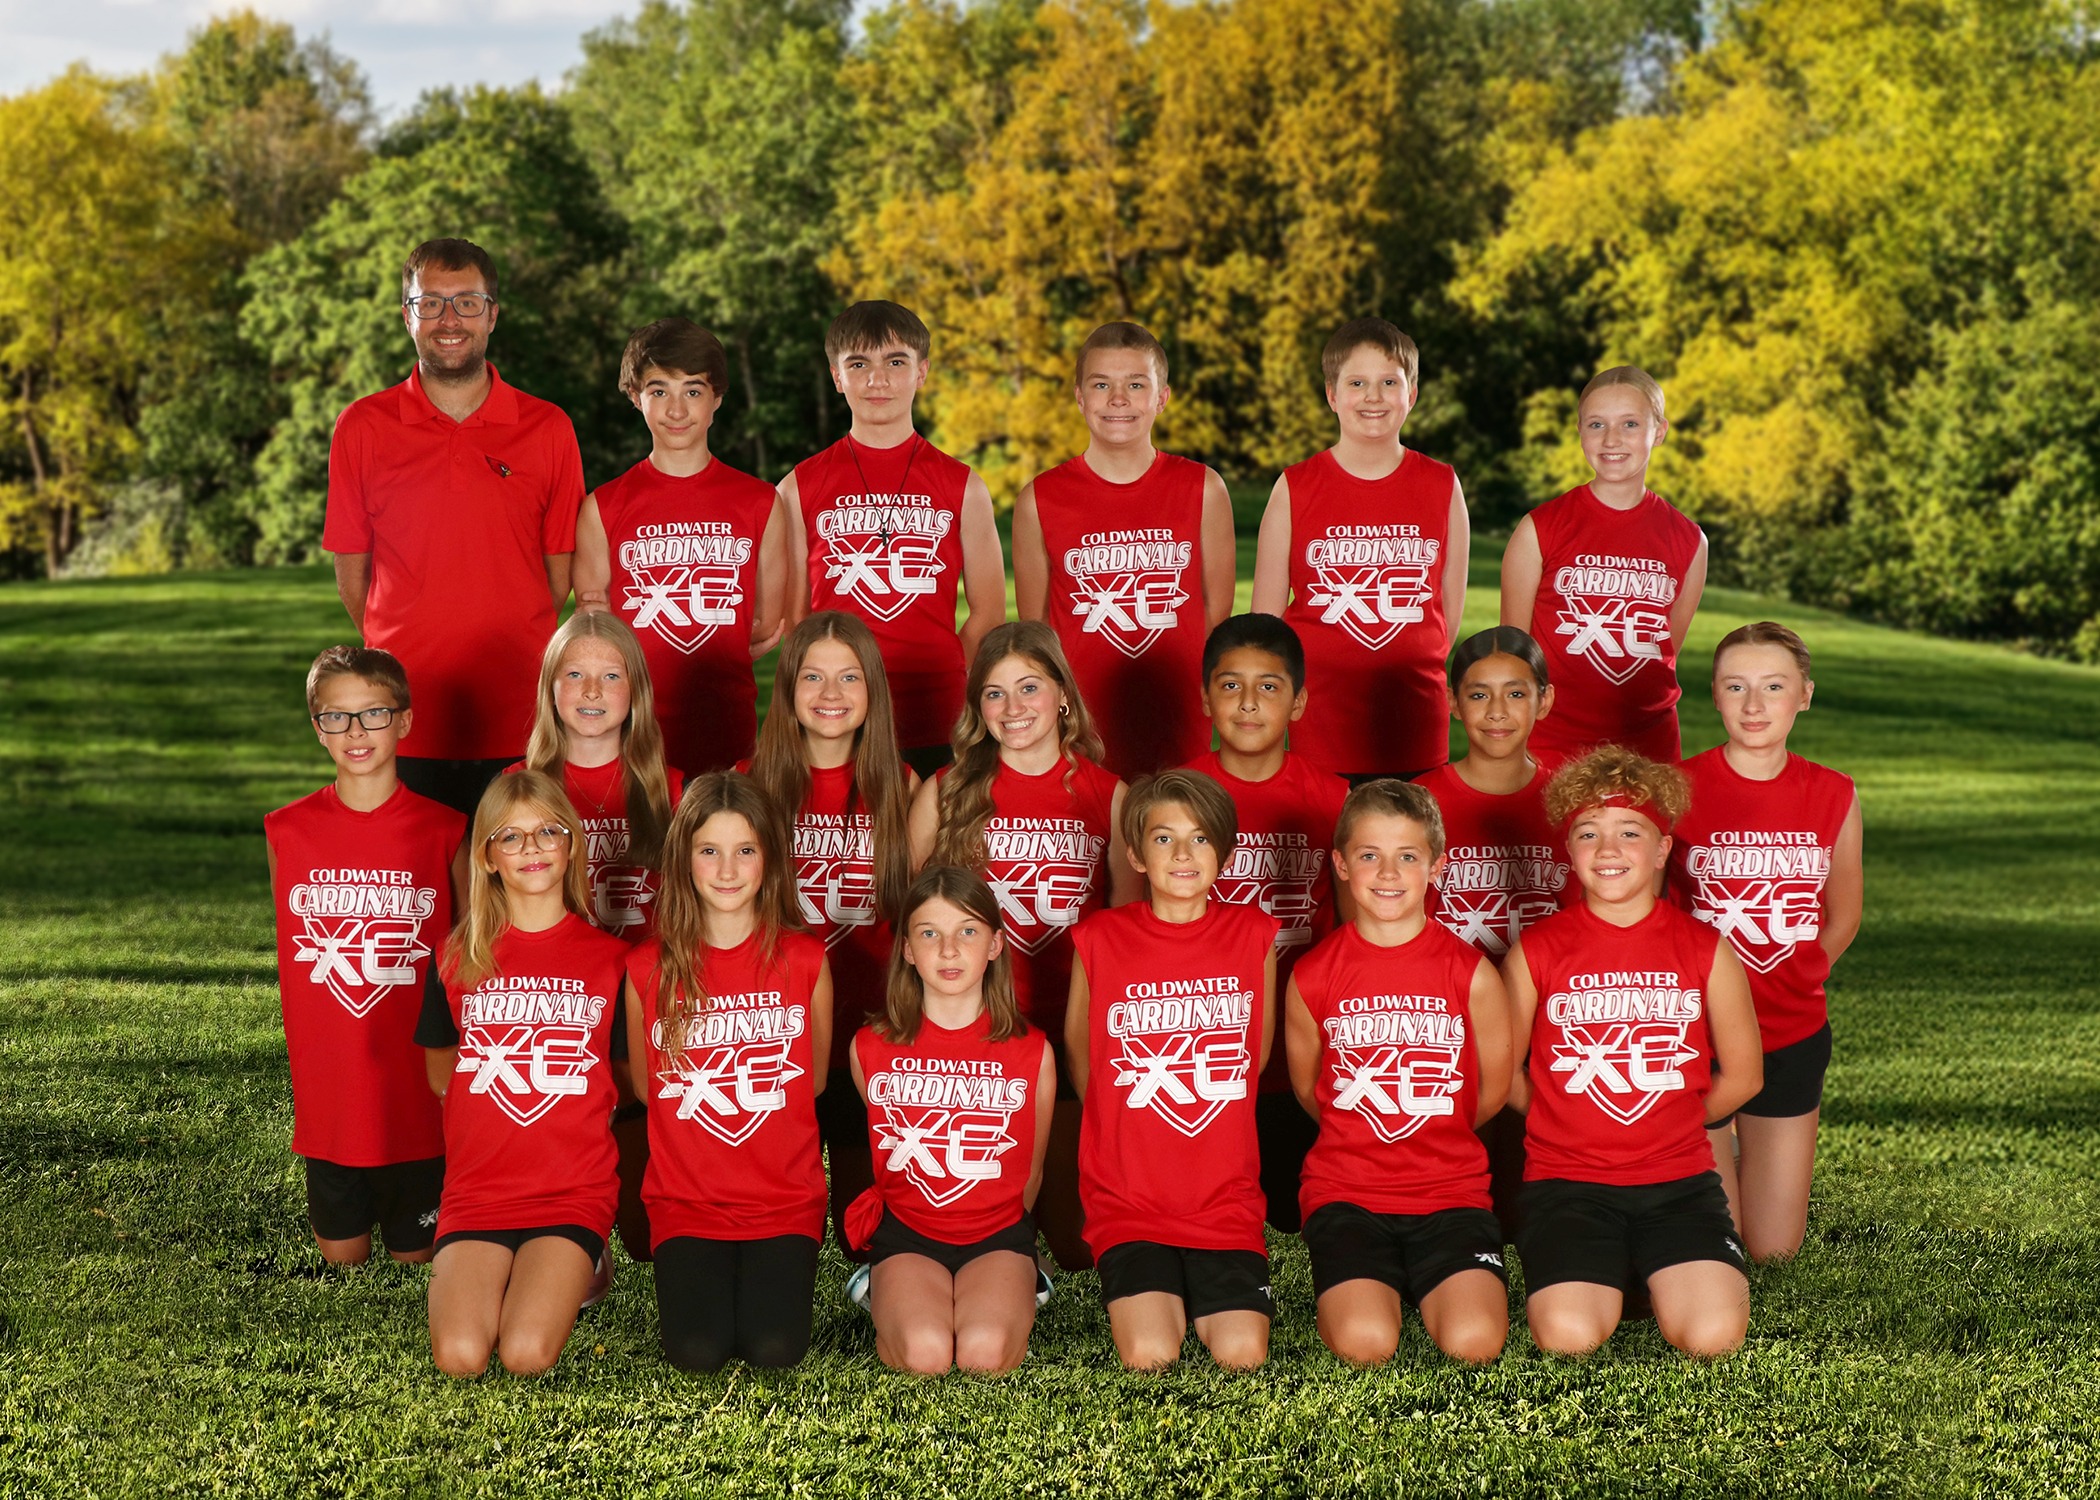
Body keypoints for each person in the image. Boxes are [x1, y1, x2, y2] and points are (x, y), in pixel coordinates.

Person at [1502, 748, 1764, 1358]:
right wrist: (1560, 1117)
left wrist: (1667, 1121)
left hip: (1678, 1184)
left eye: (1629, 832)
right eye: (1588, 834)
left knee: (1713, 1338)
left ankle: (1652, 1273)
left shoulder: (1705, 948)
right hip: (1567, 1183)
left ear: (1663, 849)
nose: (1608, 850)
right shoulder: (1538, 950)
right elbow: (1501, 1072)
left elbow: (1746, 1075)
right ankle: (1614, 1274)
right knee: (1568, 1337)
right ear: (1569, 851)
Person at [323, 237, 587, 815]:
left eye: (467, 302)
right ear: (407, 317)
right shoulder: (362, 427)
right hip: (402, 713)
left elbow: (558, 572)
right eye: (431, 304)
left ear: (492, 314)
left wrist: (503, 626)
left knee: (518, 891)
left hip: (520, 712)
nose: (449, 320)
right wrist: (414, 635)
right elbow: (353, 576)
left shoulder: (547, 427)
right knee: (420, 896)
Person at [908, 621, 1139, 1270]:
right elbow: (911, 918)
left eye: (1029, 688)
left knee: (1074, 1246)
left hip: (1066, 1021)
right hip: (975, 1028)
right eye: (994, 694)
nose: (1013, 709)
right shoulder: (946, 791)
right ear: (976, 709)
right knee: (976, 1220)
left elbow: (1123, 935)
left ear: (1062, 693)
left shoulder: (1109, 794)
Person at [1285, 780, 1512, 1365]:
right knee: (1367, 1344)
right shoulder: (1312, 975)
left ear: (1436, 866)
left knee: (1475, 1343)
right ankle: (1372, 1285)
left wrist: (1431, 1126)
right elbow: (1315, 1091)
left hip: (1450, 1190)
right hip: (1347, 1192)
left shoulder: (1473, 975)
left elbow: (1491, 1091)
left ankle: (1433, 1281)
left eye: (1407, 856)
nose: (1388, 873)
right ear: (1339, 864)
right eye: (1369, 855)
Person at [417, 771, 628, 1378]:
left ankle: (584, 1257)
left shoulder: (612, 961)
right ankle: (513, 1272)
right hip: (478, 1191)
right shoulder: (454, 958)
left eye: (547, 833)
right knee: (460, 1358)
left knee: (526, 1354)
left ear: (572, 845)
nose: (531, 848)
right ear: (486, 856)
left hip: (571, 1189)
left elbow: (623, 1078)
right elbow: (441, 1072)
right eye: (510, 837)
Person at [1067, 770, 1279, 1371]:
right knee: (1149, 1353)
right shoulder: (1098, 938)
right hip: (1130, 1197)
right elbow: (1084, 1057)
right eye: (1163, 839)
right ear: (1135, 853)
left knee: (1242, 1354)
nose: (1183, 854)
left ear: (1225, 850)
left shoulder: (1254, 933)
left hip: (1223, 1197)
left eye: (1200, 839)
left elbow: (1253, 1057)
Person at [264, 646, 466, 1266]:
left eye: (374, 714)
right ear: (317, 727)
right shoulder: (286, 830)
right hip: (331, 1097)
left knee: (416, 1260)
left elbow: (466, 959)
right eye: (337, 717)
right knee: (343, 1262)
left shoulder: (447, 829)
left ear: (404, 721)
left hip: (418, 1100)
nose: (356, 732)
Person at [624, 773, 832, 1372]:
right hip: (686, 1201)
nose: (727, 869)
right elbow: (647, 1087)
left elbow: (812, 1080)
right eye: (709, 851)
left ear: (768, 857)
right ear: (684, 859)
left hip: (783, 1199)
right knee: (697, 1352)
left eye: (745, 850)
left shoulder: (805, 959)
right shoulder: (647, 968)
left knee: (775, 1350)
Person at [1671, 622, 1863, 1263]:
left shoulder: (1834, 792)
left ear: (1804, 694)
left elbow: (1843, 913)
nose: (1754, 706)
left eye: (1773, 686)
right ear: (1716, 696)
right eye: (1737, 687)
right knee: (1717, 1243)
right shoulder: (1676, 789)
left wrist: (1805, 973)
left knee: (1773, 1250)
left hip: (1793, 1026)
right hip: (1699, 1036)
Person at [744, 612, 918, 1260]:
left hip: (868, 1020)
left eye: (849, 676)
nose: (830, 692)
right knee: (770, 1232)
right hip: (770, 1026)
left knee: (860, 1238)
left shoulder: (901, 788)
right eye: (812, 675)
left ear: (873, 689)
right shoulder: (751, 783)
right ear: (787, 688)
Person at [512, 612, 684, 1260]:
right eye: (574, 675)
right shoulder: (517, 787)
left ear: (635, 692)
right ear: (549, 692)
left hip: (643, 998)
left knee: (648, 1238)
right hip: (556, 1007)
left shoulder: (671, 790)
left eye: (610, 676)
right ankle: (567, 1214)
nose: (590, 692)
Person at [777, 300, 1006, 776]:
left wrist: (939, 673)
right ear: (837, 377)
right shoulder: (799, 486)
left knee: (934, 847)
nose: (877, 380)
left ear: (921, 372)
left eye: (895, 362)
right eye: (858, 364)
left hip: (937, 714)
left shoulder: (963, 484)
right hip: (838, 717)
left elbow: (987, 613)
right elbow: (797, 617)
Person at [845, 866, 1056, 1375]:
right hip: (910, 1231)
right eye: (929, 933)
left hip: (997, 1233)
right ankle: (882, 1286)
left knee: (983, 1353)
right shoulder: (869, 1046)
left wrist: (1003, 1236)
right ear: (907, 950)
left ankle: (1028, 1275)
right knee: (925, 1354)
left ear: (995, 945)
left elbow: (1030, 1172)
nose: (948, 950)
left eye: (967, 931)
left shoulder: (1033, 1051)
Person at [1178, 613, 1349, 1233]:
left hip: (1304, 1050)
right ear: (1204, 696)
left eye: (1270, 687)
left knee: (1300, 1215)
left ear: (1299, 701)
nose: (1248, 704)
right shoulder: (1177, 795)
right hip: (1202, 1048)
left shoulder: (1334, 799)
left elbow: (1356, 942)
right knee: (1208, 1214)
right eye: (1230, 686)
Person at [1012, 321, 1235, 778]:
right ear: (1080, 397)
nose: (1118, 398)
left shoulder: (1204, 488)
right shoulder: (1039, 499)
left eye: (1136, 384)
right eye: (1102, 384)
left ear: (1162, 397)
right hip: (1080, 737)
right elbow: (1036, 637)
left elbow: (1217, 617)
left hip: (1180, 728)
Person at [1250, 316, 1470, 781]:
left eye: (1389, 382)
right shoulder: (1294, 487)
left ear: (1411, 394)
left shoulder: (1441, 484)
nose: (1373, 396)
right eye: (1357, 382)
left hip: (1416, 731)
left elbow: (1444, 615)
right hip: (1321, 736)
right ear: (1332, 395)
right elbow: (1267, 632)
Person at [572, 318, 788, 775]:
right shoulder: (603, 507)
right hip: (632, 736)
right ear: (636, 397)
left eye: (692, 391)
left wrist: (709, 645)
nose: (676, 409)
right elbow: (594, 630)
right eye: (658, 391)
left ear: (717, 401)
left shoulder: (760, 502)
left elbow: (767, 623)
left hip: (729, 732)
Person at [1415, 626, 1574, 1236]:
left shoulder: (1572, 798)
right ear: (1452, 704)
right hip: (1448, 1028)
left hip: (1550, 1029)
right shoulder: (1420, 800)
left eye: (1516, 693)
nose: (1498, 712)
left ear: (1545, 700)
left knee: (1538, 1208)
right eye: (1478, 695)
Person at [1500, 366, 1708, 765]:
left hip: (1648, 751)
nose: (1612, 440)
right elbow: (1515, 658)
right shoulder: (1539, 528)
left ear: (1659, 431)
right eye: (1597, 424)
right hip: (1551, 748)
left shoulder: (1690, 539)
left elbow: (1665, 650)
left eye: (1630, 424)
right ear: (1580, 430)